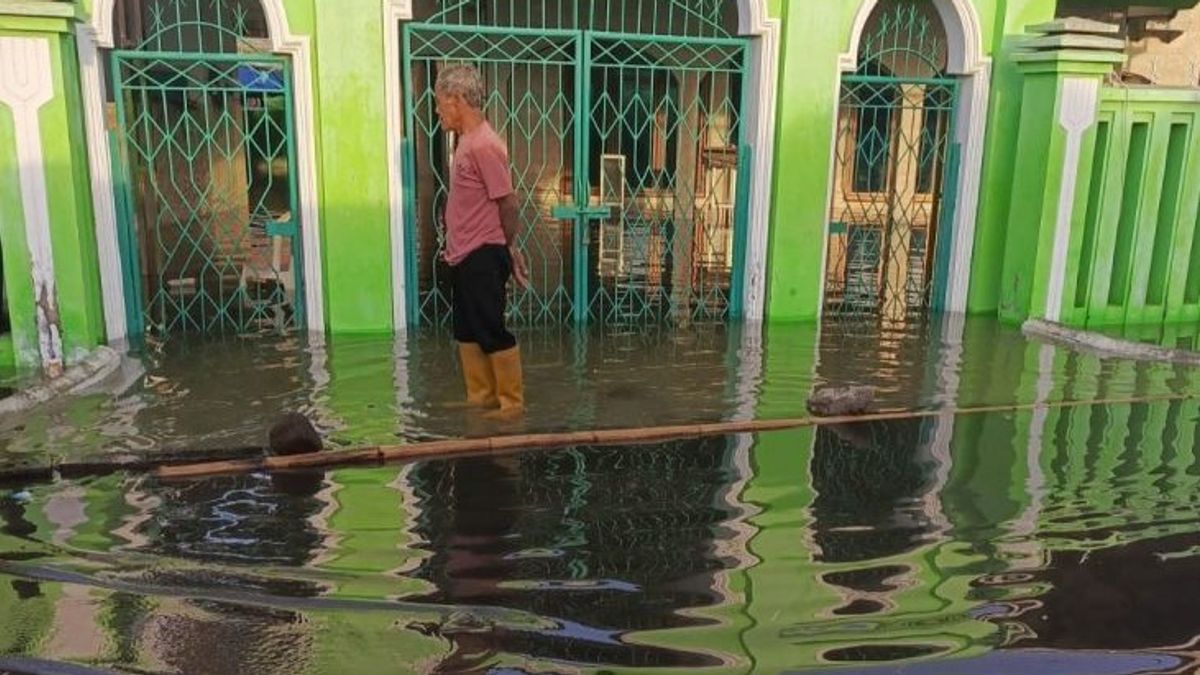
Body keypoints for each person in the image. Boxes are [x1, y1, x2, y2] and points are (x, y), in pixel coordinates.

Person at [435, 64, 529, 418]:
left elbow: (508, 201)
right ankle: (482, 397)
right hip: (464, 254)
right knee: (466, 329)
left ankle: (511, 404)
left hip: (483, 254)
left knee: (490, 328)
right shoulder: (466, 143)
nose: (437, 110)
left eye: (440, 102)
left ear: (457, 100)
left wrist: (506, 248)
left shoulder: (485, 145)